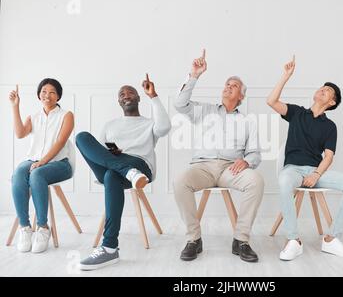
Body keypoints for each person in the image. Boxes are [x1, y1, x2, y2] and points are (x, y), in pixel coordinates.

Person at [173, 50, 264, 263]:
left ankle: (241, 240)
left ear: (241, 96)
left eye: (233, 85)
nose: (228, 87)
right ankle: (194, 239)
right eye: (226, 84)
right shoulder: (204, 110)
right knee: (179, 182)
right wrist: (194, 75)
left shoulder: (247, 121)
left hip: (230, 169)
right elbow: (179, 104)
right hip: (202, 167)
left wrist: (247, 161)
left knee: (256, 181)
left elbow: (255, 153)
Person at [267, 56, 343, 261]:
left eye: (327, 90)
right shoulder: (297, 113)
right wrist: (286, 76)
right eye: (321, 87)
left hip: (314, 172)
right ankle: (293, 240)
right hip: (292, 169)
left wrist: (317, 174)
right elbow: (271, 101)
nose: (322, 89)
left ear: (332, 102)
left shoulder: (329, 126)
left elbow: (329, 157)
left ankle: (332, 238)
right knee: (284, 181)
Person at [76, 74, 171, 270]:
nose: (126, 95)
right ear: (119, 101)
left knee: (112, 175)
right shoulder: (110, 125)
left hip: (140, 165)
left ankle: (109, 248)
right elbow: (99, 153)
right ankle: (127, 171)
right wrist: (113, 153)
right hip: (118, 165)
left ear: (138, 98)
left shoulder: (148, 123)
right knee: (82, 137)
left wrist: (153, 96)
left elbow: (164, 128)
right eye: (122, 94)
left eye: (131, 92)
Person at [9, 78, 74, 253]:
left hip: (60, 164)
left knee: (37, 174)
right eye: (44, 91)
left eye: (52, 92)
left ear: (58, 96)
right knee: (18, 174)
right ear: (39, 95)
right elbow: (20, 133)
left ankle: (43, 228)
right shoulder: (34, 117)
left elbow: (60, 142)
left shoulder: (66, 115)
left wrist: (42, 162)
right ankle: (25, 227)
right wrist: (15, 106)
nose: (47, 95)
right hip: (34, 160)